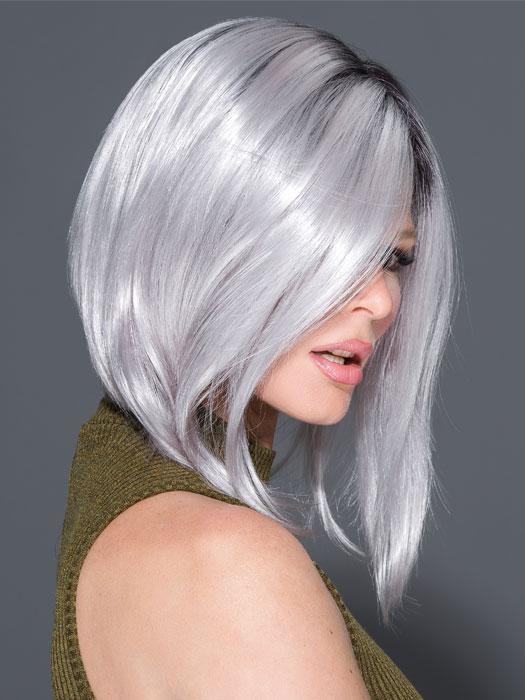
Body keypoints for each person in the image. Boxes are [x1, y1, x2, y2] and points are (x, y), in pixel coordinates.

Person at [51, 16, 459, 699]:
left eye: (394, 258)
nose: (382, 300)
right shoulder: (225, 565)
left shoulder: (125, 489)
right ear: (205, 238)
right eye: (334, 247)